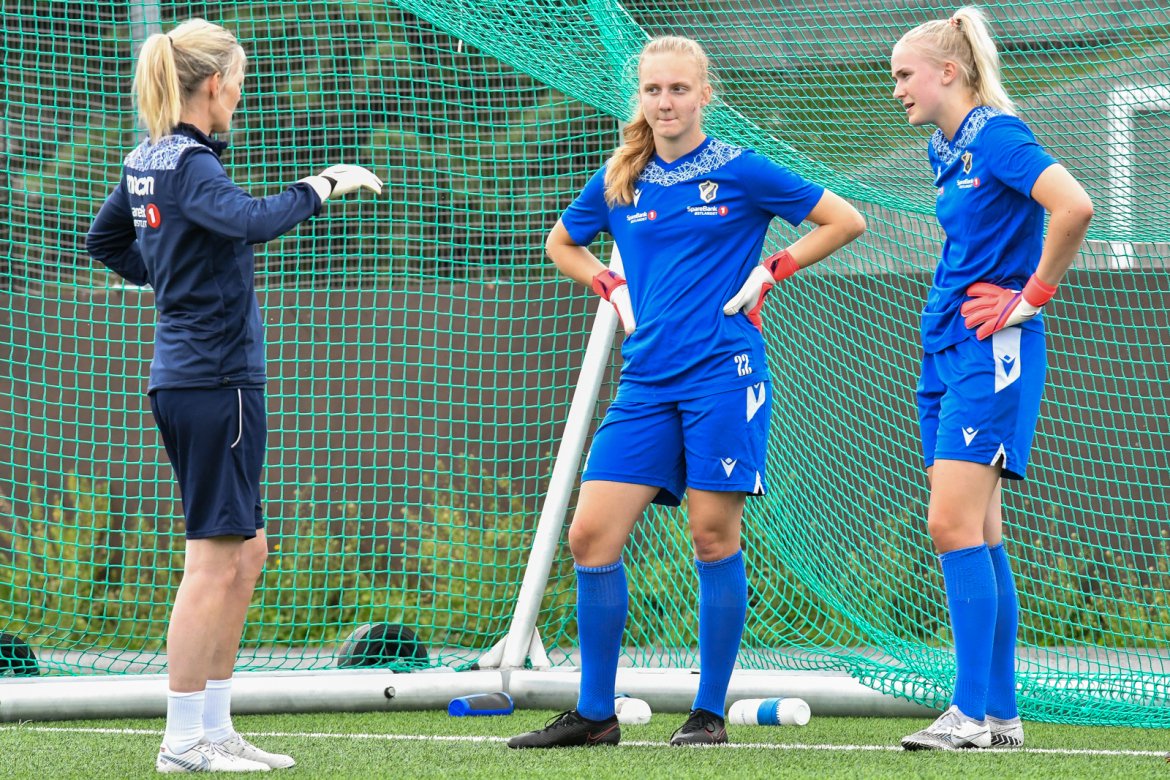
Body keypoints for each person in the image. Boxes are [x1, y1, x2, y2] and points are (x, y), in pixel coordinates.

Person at [507, 35, 865, 749]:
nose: (664, 102)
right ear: (639, 97)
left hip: (723, 377)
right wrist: (609, 285)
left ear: (705, 93)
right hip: (645, 381)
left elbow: (845, 219)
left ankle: (707, 713)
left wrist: (770, 271)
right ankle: (595, 714)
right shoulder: (621, 177)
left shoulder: (741, 169)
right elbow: (561, 243)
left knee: (712, 535)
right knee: (590, 535)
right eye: (653, 90)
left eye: (678, 88)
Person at [86, 18, 382, 773]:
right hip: (215, 381)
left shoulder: (147, 159)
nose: (239, 100)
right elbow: (252, 220)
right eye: (238, 85)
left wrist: (174, 278)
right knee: (213, 562)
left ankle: (213, 728)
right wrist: (326, 182)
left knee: (246, 553)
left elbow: (106, 241)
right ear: (214, 85)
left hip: (190, 378)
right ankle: (183, 740)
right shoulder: (187, 163)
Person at [889, 6, 1093, 750]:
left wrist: (1029, 297)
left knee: (950, 525)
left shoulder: (999, 135)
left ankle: (967, 713)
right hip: (946, 345)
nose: (896, 90)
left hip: (993, 350)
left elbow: (1075, 207)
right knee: (977, 528)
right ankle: (1001, 717)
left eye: (904, 75)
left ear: (949, 72)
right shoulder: (944, 148)